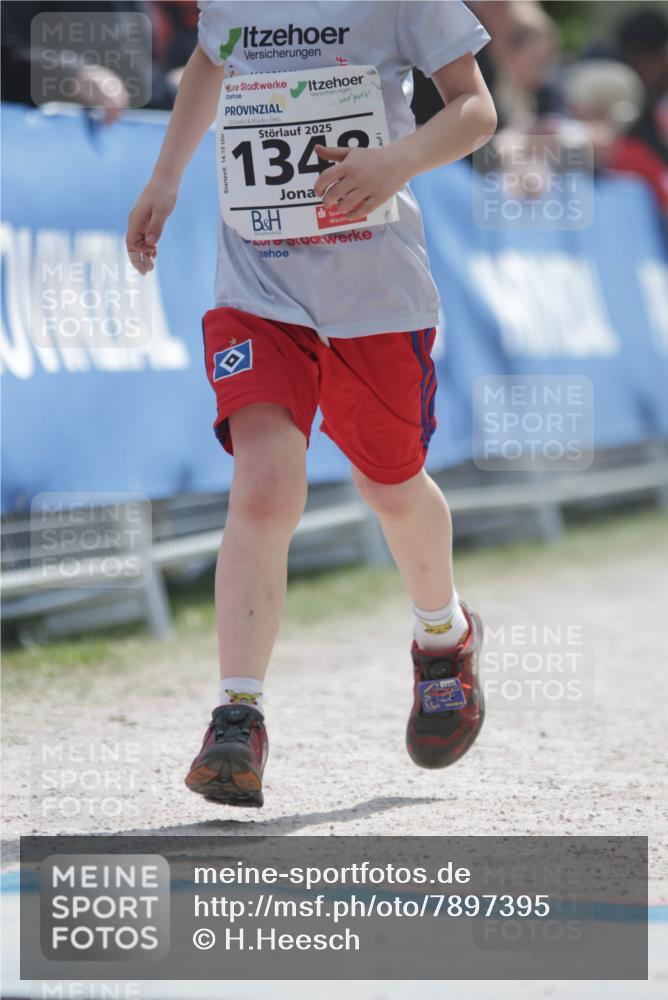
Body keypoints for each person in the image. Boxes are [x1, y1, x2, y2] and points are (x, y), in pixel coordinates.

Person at [126, 1, 497, 808]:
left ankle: (443, 636)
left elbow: (476, 109)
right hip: (259, 287)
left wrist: (395, 162)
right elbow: (209, 60)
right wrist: (166, 176)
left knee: (391, 487)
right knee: (264, 487)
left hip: (375, 293)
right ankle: (237, 715)